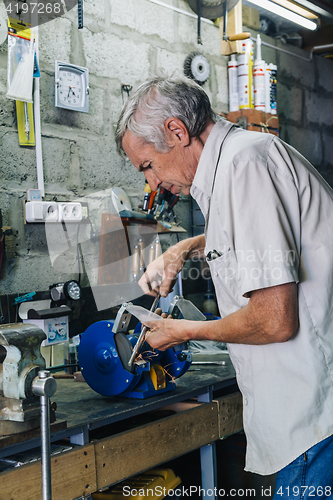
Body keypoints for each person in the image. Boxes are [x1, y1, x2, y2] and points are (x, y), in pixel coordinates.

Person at [115, 76, 333, 497]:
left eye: (147, 166)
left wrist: (182, 332)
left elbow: (274, 321)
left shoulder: (244, 166)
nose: (152, 184)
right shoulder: (240, 160)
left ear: (177, 132)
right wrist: (184, 248)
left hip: (313, 418)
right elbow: (258, 236)